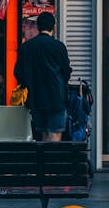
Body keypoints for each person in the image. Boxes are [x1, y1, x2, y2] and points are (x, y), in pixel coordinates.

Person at [14, 12, 72, 142]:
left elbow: (18, 73)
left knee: (43, 134)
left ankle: (44, 162)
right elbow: (66, 72)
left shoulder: (26, 48)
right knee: (55, 134)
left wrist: (27, 83)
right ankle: (52, 161)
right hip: (57, 98)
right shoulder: (58, 47)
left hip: (36, 98)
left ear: (38, 27)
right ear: (54, 26)